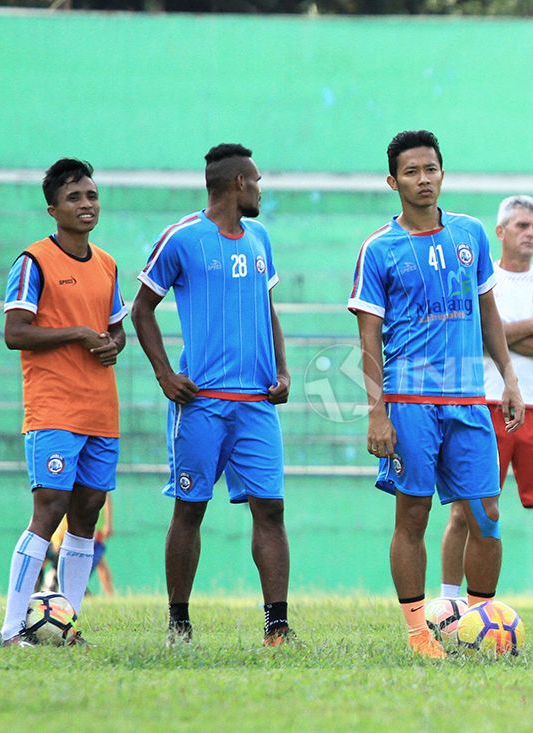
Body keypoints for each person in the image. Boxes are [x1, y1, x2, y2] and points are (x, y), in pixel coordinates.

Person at [348, 130, 525, 659]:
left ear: (442, 172)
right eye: (411, 172)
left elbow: (488, 314)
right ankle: (418, 632)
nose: (423, 180)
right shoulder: (378, 248)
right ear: (392, 181)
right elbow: (368, 340)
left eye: (431, 169)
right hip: (408, 404)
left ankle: (478, 624)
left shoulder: (470, 234)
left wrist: (509, 379)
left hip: (469, 400)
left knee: (487, 515)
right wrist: (377, 413)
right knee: (414, 516)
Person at [132, 143, 294, 647]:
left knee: (270, 509)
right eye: (258, 181)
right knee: (190, 507)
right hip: (200, 403)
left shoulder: (261, 237)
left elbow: (268, 310)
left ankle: (277, 624)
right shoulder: (182, 239)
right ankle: (178, 622)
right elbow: (141, 310)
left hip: (257, 406)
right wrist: (164, 374)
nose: (262, 189)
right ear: (238, 184)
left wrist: (283, 370)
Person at [0, 158, 127, 646]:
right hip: (53, 407)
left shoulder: (107, 263)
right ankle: (11, 629)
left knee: (88, 512)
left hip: (101, 409)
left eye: (91, 195)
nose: (86, 204)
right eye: (74, 198)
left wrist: (115, 343)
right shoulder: (33, 261)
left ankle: (68, 625)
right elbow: (15, 333)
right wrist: (76, 333)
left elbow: (116, 328)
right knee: (50, 507)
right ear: (53, 209)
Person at [437, 195, 533, 629]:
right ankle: (448, 602)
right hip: (483, 404)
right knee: (466, 510)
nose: (530, 234)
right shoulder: (482, 281)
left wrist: (498, 333)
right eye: (521, 226)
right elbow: (473, 336)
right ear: (500, 232)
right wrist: (526, 327)